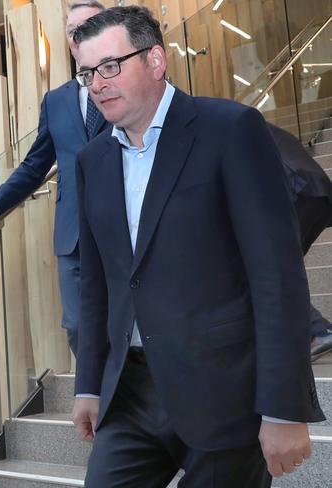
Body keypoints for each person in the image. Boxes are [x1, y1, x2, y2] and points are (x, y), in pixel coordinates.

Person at [69, 7, 325, 487]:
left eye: (109, 66)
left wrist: (283, 406)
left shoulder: (230, 130)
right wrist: (88, 383)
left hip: (225, 390)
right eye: (87, 72)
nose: (97, 83)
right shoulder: (91, 161)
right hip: (132, 395)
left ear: (156, 61)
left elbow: (277, 276)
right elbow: (98, 283)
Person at [0, 1, 108, 356]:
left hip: (123, 228)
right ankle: (97, 404)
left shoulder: (129, 87)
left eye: (89, 25)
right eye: (72, 31)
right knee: (79, 327)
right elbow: (36, 165)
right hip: (74, 236)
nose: (79, 36)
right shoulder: (56, 100)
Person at [268, 123, 332, 360]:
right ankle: (313, 330)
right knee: (279, 268)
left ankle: (317, 331)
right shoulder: (244, 119)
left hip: (294, 190)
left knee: (269, 269)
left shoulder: (221, 127)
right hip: (315, 191)